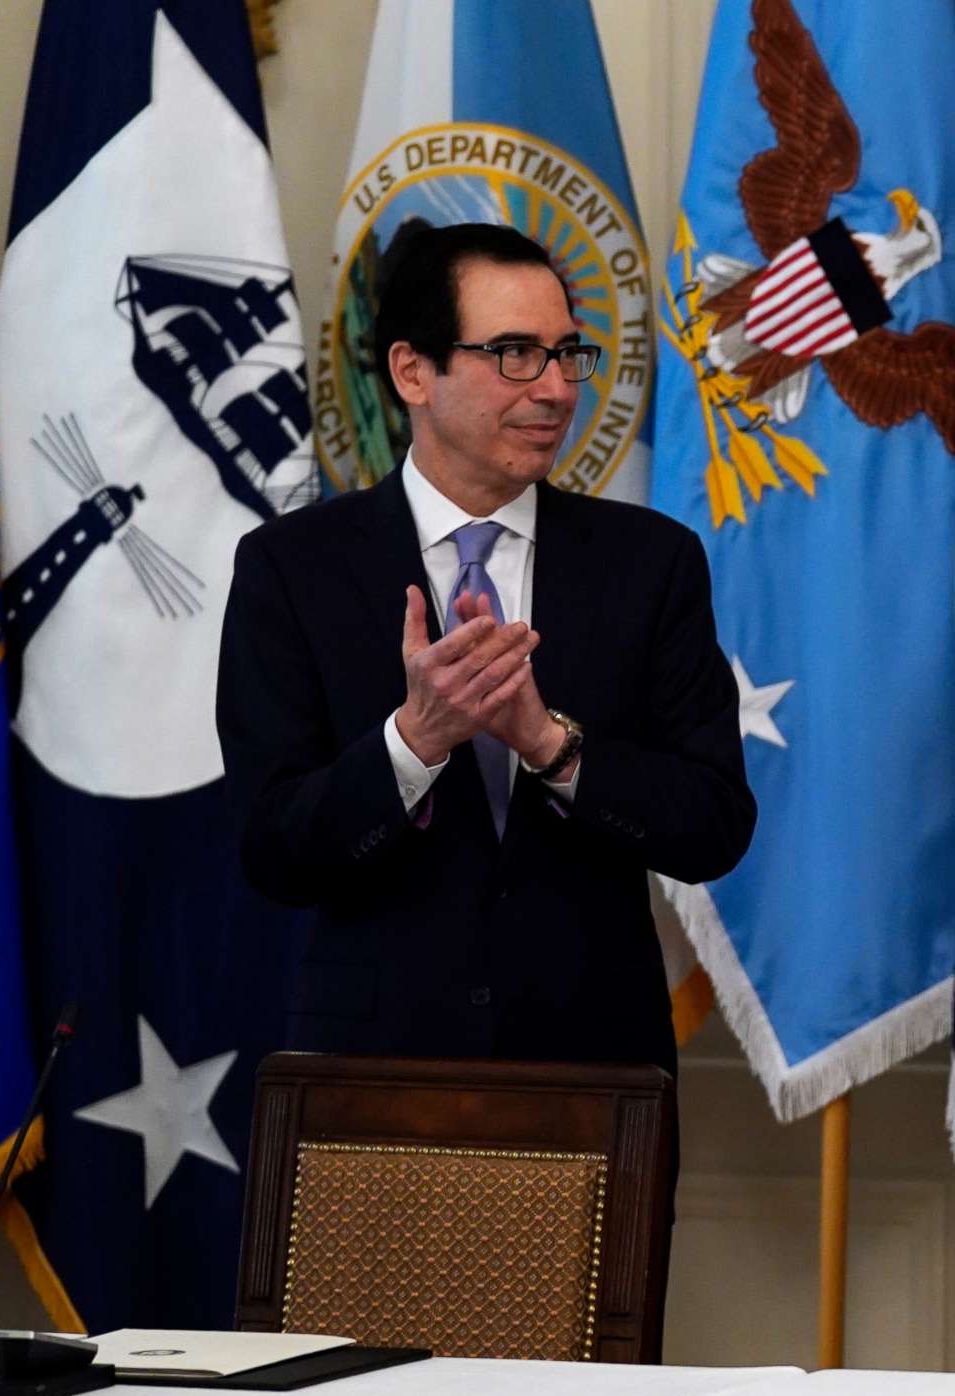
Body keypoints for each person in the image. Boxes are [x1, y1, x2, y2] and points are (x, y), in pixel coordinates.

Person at [218, 223, 754, 1075]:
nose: (553, 389)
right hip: (371, 1076)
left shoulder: (650, 565)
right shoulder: (294, 569)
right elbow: (271, 849)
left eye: (567, 353)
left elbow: (714, 827)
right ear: (412, 372)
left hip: (595, 1072)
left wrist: (551, 746)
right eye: (513, 354)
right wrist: (415, 742)